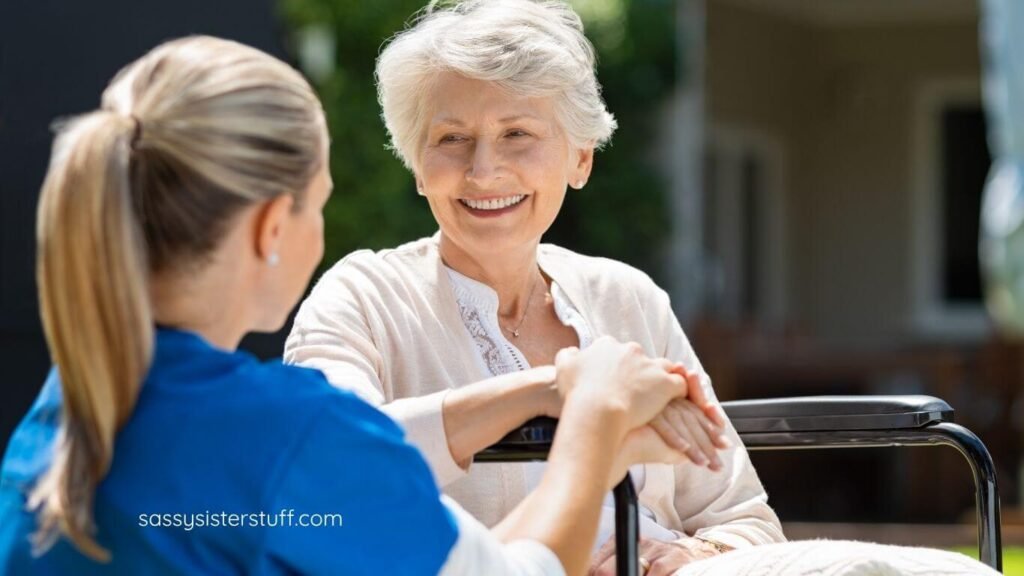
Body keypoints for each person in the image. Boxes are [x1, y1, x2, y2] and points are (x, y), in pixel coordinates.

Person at [0, 35, 702, 576]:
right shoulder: (292, 435)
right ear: (273, 228)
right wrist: (596, 419)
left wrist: (545, 388)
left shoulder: (67, 410)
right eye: (322, 205)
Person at [283, 1, 784, 573]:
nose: (483, 170)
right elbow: (329, 461)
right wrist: (558, 389)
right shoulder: (362, 297)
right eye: (451, 139)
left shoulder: (629, 297)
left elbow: (744, 518)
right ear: (417, 166)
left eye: (517, 133)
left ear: (581, 158)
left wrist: (686, 554)